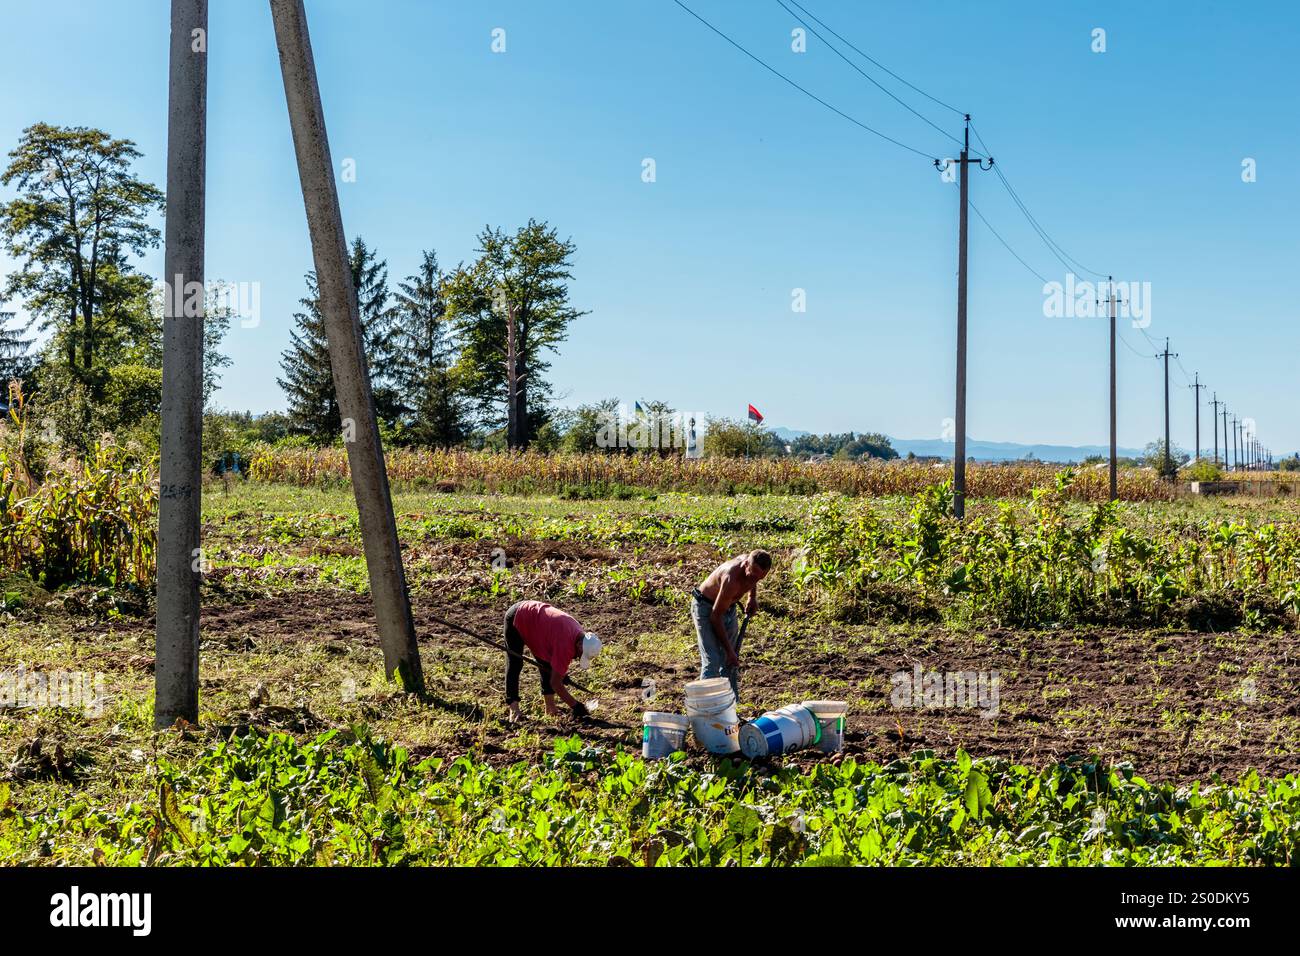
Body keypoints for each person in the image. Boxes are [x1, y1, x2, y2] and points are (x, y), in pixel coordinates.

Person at [690, 550, 772, 698]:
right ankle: (705, 707)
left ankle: (728, 706)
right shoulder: (731, 579)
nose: (753, 581)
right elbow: (715, 617)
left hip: (728, 608)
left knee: (729, 663)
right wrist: (729, 651)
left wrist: (752, 597)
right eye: (752, 575)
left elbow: (754, 577)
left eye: (759, 579)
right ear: (746, 564)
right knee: (713, 660)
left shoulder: (752, 567)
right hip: (706, 608)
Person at [504, 600, 601, 721]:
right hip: (518, 615)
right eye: (581, 655)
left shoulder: (578, 635)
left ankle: (550, 708)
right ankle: (514, 710)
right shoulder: (565, 645)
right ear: (580, 646)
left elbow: (554, 670)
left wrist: (559, 673)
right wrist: (576, 706)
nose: (577, 658)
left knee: (547, 664)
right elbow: (555, 684)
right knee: (515, 662)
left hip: (538, 624)